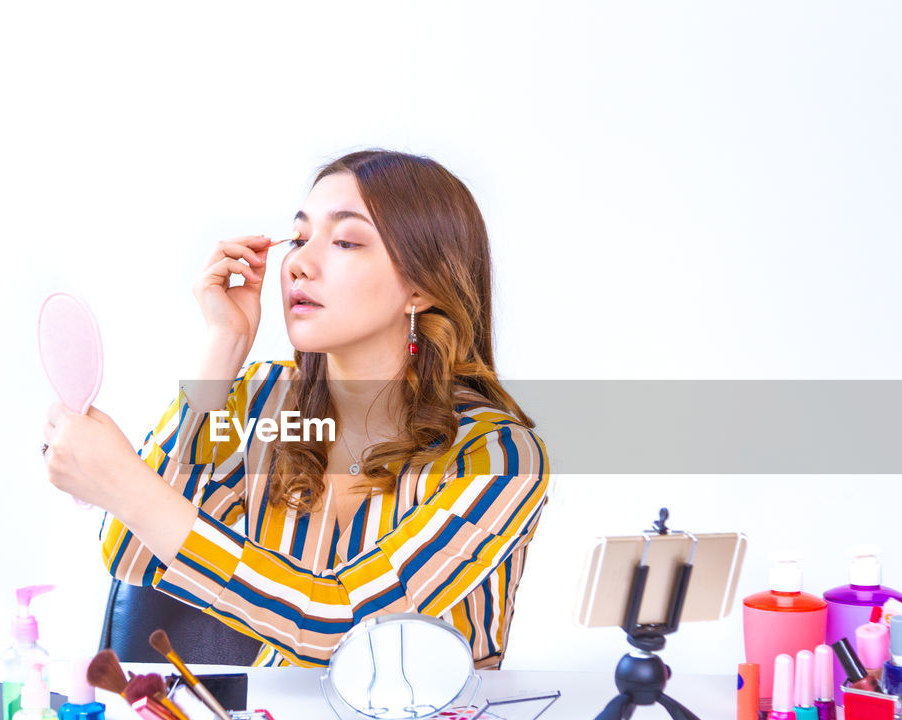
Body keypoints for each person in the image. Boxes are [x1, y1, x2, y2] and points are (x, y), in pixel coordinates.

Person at [43, 149, 550, 668]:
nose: (300, 264)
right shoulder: (259, 403)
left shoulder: (498, 456)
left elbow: (348, 626)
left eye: (346, 241)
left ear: (421, 287)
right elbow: (137, 552)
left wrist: (123, 481)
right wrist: (225, 342)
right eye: (300, 238)